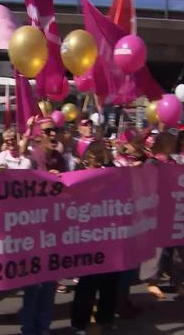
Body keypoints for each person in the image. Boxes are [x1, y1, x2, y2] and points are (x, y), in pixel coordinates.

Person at [20, 116, 65, 335]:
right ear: (38, 136)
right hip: (33, 231)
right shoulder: (31, 158)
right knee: (33, 286)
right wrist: (45, 180)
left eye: (55, 130)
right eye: (47, 131)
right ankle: (29, 329)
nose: (53, 135)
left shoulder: (60, 158)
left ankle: (44, 327)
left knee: (49, 285)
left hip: (55, 229)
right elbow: (21, 187)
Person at [70, 140, 120, 335]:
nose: (97, 166)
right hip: (88, 238)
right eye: (94, 161)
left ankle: (105, 318)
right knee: (88, 284)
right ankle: (80, 323)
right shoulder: (78, 176)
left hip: (110, 235)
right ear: (85, 160)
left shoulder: (112, 173)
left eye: (101, 162)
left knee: (110, 281)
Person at [141, 130, 184, 299]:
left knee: (179, 248)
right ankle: (152, 281)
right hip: (157, 211)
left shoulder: (176, 163)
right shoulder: (152, 162)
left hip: (176, 209)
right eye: (170, 141)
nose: (173, 144)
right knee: (157, 248)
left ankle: (178, 281)